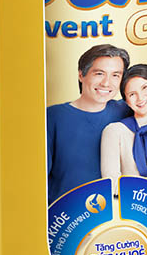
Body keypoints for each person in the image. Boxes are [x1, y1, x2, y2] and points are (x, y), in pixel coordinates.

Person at [46, 44, 130, 204]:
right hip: (65, 214)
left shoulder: (125, 110)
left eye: (115, 75)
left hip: (113, 213)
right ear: (81, 75)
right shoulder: (53, 116)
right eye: (99, 74)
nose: (106, 83)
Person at [100, 64, 147, 197]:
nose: (140, 98)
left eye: (144, 87)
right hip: (129, 205)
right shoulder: (114, 132)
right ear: (126, 101)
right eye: (132, 94)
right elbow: (111, 186)